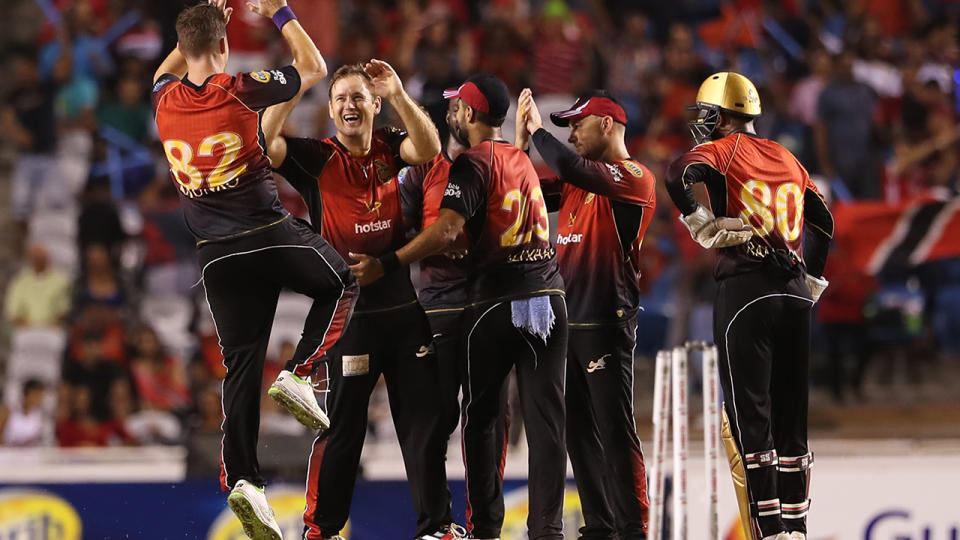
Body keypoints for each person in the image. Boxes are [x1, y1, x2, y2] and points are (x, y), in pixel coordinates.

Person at [152, 2, 357, 538]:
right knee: (343, 281)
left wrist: (196, 31)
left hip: (215, 258)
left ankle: (245, 480)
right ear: (222, 47)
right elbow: (313, 68)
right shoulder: (238, 88)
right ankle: (300, 371)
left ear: (183, 46)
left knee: (240, 368)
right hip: (265, 233)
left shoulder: (164, 100)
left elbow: (164, 70)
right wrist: (279, 12)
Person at [352, 73, 568, 540]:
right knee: (437, 419)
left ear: (464, 116)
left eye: (455, 107)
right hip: (450, 310)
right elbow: (397, 226)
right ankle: (439, 525)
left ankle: (484, 528)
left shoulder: (477, 163)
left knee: (487, 419)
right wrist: (422, 244)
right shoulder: (428, 172)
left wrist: (408, 255)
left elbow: (467, 216)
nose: (449, 114)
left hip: (484, 307)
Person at [263, 61, 455, 540]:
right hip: (351, 318)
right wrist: (299, 85)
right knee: (343, 429)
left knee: (424, 424)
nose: (350, 105)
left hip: (403, 311)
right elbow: (265, 145)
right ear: (330, 111)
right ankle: (321, 530)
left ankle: (436, 528)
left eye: (358, 97)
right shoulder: (317, 157)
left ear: (372, 105)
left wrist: (397, 93)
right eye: (341, 99)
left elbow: (429, 147)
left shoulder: (391, 144)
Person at [665, 72, 834, 540]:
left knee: (750, 417)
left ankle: (771, 528)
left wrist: (698, 219)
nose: (702, 123)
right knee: (791, 420)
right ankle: (798, 527)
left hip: (746, 289)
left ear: (721, 116)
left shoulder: (725, 149)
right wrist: (814, 278)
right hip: (793, 292)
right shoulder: (787, 156)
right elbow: (824, 221)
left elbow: (676, 171)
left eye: (706, 115)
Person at [515, 88, 654, 540]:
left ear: (608, 125)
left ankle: (632, 529)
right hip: (566, 325)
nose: (570, 133)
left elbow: (571, 165)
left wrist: (538, 131)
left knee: (614, 430)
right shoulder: (579, 180)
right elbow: (523, 191)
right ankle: (600, 526)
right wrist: (518, 147)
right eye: (566, 126)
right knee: (577, 432)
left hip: (606, 322)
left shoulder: (634, 177)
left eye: (578, 124)